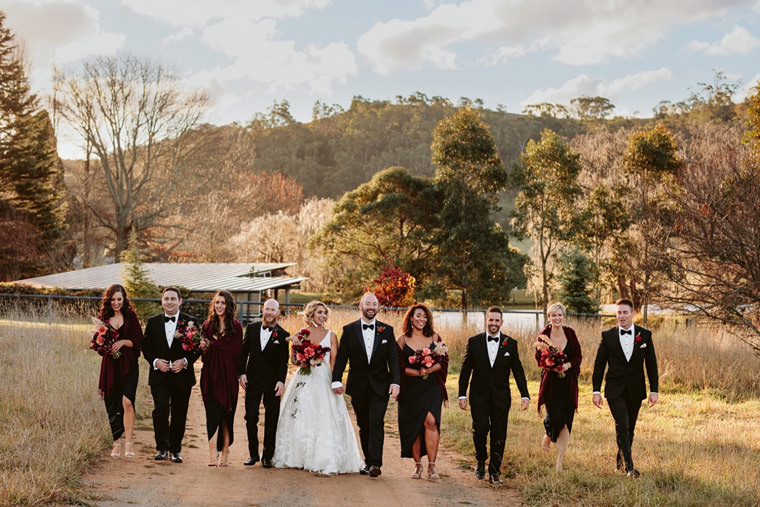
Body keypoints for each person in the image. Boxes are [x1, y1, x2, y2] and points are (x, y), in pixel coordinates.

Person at [272, 300, 364, 474]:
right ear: (311, 313)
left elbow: (334, 361)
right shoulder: (301, 333)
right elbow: (293, 360)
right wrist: (303, 358)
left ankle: (323, 456)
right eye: (319, 312)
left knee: (325, 414)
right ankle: (297, 455)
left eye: (324, 313)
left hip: (323, 377)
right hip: (304, 376)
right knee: (300, 413)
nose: (323, 316)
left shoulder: (331, 335)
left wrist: (335, 381)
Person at [458, 306, 530, 484]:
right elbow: (465, 370)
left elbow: (518, 371)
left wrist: (525, 395)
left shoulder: (510, 344)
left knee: (499, 433)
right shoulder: (474, 342)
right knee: (480, 429)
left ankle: (495, 472)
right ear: (486, 320)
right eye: (491, 320)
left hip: (501, 397)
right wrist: (462, 394)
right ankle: (481, 459)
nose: (493, 323)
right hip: (479, 395)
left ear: (502, 322)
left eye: (497, 320)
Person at [332, 292, 401, 478]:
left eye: (374, 303)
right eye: (367, 303)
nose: (371, 307)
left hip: (381, 386)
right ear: (360, 307)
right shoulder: (349, 330)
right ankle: (369, 461)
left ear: (378, 307)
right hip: (358, 385)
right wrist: (336, 379)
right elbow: (342, 358)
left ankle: (376, 463)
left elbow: (393, 359)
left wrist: (395, 382)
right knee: (363, 424)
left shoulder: (387, 330)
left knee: (376, 422)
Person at [592, 298, 659, 478]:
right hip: (614, 389)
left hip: (636, 389)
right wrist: (596, 391)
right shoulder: (608, 336)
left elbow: (651, 364)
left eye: (625, 312)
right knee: (623, 424)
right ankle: (630, 468)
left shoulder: (645, 335)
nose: (621, 316)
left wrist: (654, 390)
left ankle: (620, 462)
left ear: (632, 314)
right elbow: (599, 365)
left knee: (629, 428)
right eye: (619, 313)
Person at [141, 287, 200, 463]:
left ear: (180, 301)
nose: (169, 302)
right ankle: (161, 447)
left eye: (173, 299)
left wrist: (185, 361)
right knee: (160, 410)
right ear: (162, 301)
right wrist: (155, 361)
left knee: (179, 412)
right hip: (160, 375)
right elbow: (146, 347)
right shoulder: (153, 322)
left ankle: (175, 450)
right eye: (166, 298)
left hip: (182, 376)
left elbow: (198, 347)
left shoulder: (191, 322)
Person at [396, 303, 449, 480]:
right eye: (418, 316)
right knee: (415, 426)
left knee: (431, 422)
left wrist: (432, 368)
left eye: (425, 316)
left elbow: (444, 358)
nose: (421, 319)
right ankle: (418, 465)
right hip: (410, 389)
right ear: (411, 318)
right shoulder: (402, 340)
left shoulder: (434, 336)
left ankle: (432, 466)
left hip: (431, 387)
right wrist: (417, 372)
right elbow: (398, 367)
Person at [239, 298, 290, 468]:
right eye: (267, 309)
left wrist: (281, 381)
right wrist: (242, 373)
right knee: (251, 417)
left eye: (273, 310)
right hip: (252, 381)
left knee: (271, 419)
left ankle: (267, 456)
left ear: (278, 313)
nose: (269, 313)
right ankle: (253, 454)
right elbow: (243, 352)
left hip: (272, 384)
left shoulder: (283, 335)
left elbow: (283, 362)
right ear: (262, 310)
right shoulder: (252, 329)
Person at [95, 284, 143, 459]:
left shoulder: (131, 316)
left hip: (129, 365)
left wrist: (122, 342)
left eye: (119, 299)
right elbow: (98, 345)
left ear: (124, 299)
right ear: (109, 300)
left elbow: (139, 340)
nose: (116, 303)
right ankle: (116, 442)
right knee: (112, 403)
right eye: (113, 299)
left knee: (127, 402)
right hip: (110, 367)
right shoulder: (103, 318)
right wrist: (104, 344)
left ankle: (129, 442)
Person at [535, 302, 582, 472]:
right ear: (549, 317)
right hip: (551, 384)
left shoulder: (570, 333)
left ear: (564, 316)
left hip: (568, 382)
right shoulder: (543, 335)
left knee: (566, 422)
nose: (557, 318)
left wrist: (567, 366)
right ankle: (548, 434)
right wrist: (550, 364)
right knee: (553, 416)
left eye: (560, 315)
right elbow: (538, 357)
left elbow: (578, 356)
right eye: (553, 315)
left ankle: (559, 463)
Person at [200, 290, 243, 467]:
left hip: (228, 376)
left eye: (223, 303)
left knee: (227, 413)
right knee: (212, 412)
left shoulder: (236, 327)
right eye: (217, 302)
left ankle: (225, 449)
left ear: (229, 305)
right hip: (210, 375)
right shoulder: (207, 325)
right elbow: (203, 354)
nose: (219, 306)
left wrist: (213, 345)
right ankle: (212, 451)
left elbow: (235, 352)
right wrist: (203, 347)